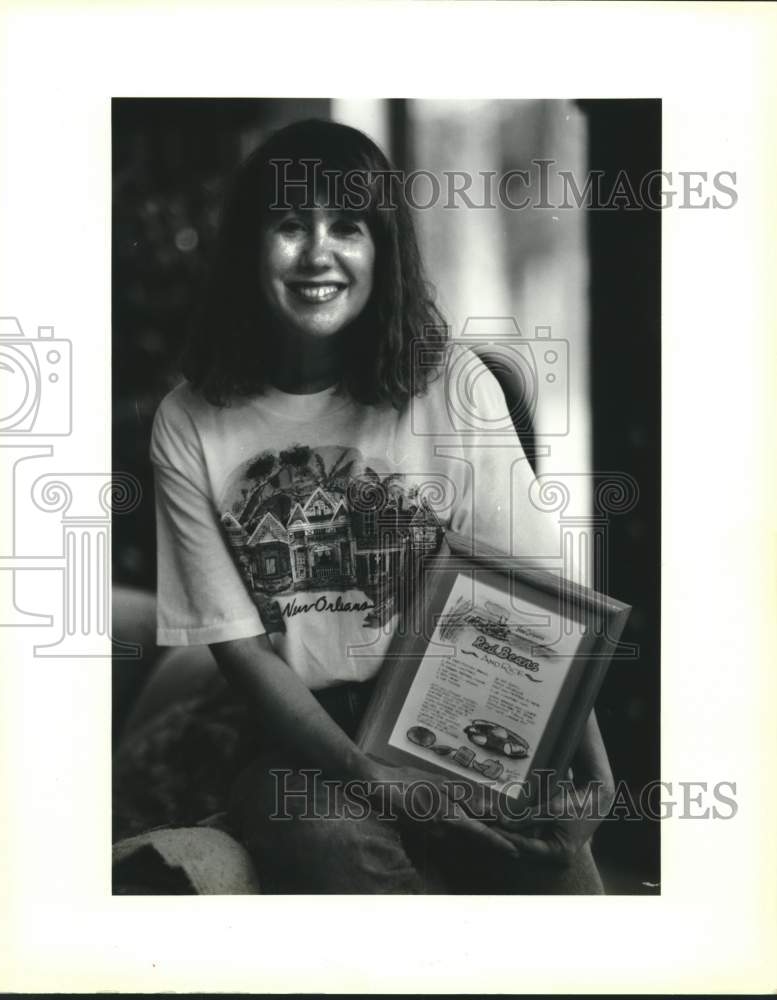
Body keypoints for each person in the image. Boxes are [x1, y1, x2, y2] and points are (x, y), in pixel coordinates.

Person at [150, 118, 614, 893]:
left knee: (561, 890)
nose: (318, 254)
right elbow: (244, 653)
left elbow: (535, 600)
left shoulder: (456, 385)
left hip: (463, 716)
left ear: (382, 248)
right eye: (289, 225)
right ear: (248, 249)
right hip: (301, 743)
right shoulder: (189, 421)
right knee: (334, 842)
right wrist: (366, 774)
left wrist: (591, 772)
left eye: (348, 226)